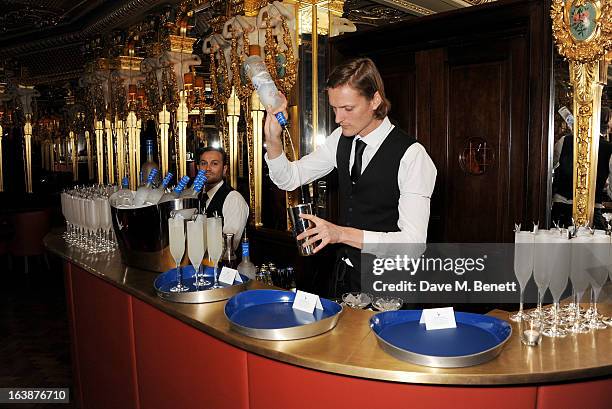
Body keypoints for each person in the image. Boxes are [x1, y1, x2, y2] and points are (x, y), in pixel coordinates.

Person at [263, 57, 437, 294]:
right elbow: (290, 178)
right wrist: (273, 140)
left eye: (347, 109)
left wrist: (340, 234)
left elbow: (413, 245)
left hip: (391, 288)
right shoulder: (339, 139)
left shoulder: (412, 156)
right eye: (335, 108)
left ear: (374, 100)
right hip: (345, 278)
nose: (338, 118)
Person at [552, 106, 612, 229]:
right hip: (589, 211)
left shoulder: (565, 140)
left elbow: (549, 168)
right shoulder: (608, 149)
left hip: (562, 206)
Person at [197, 146, 249, 250]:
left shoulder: (233, 199)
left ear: (224, 169)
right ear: (198, 168)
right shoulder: (196, 197)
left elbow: (228, 247)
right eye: (203, 163)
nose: (207, 168)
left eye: (214, 163)